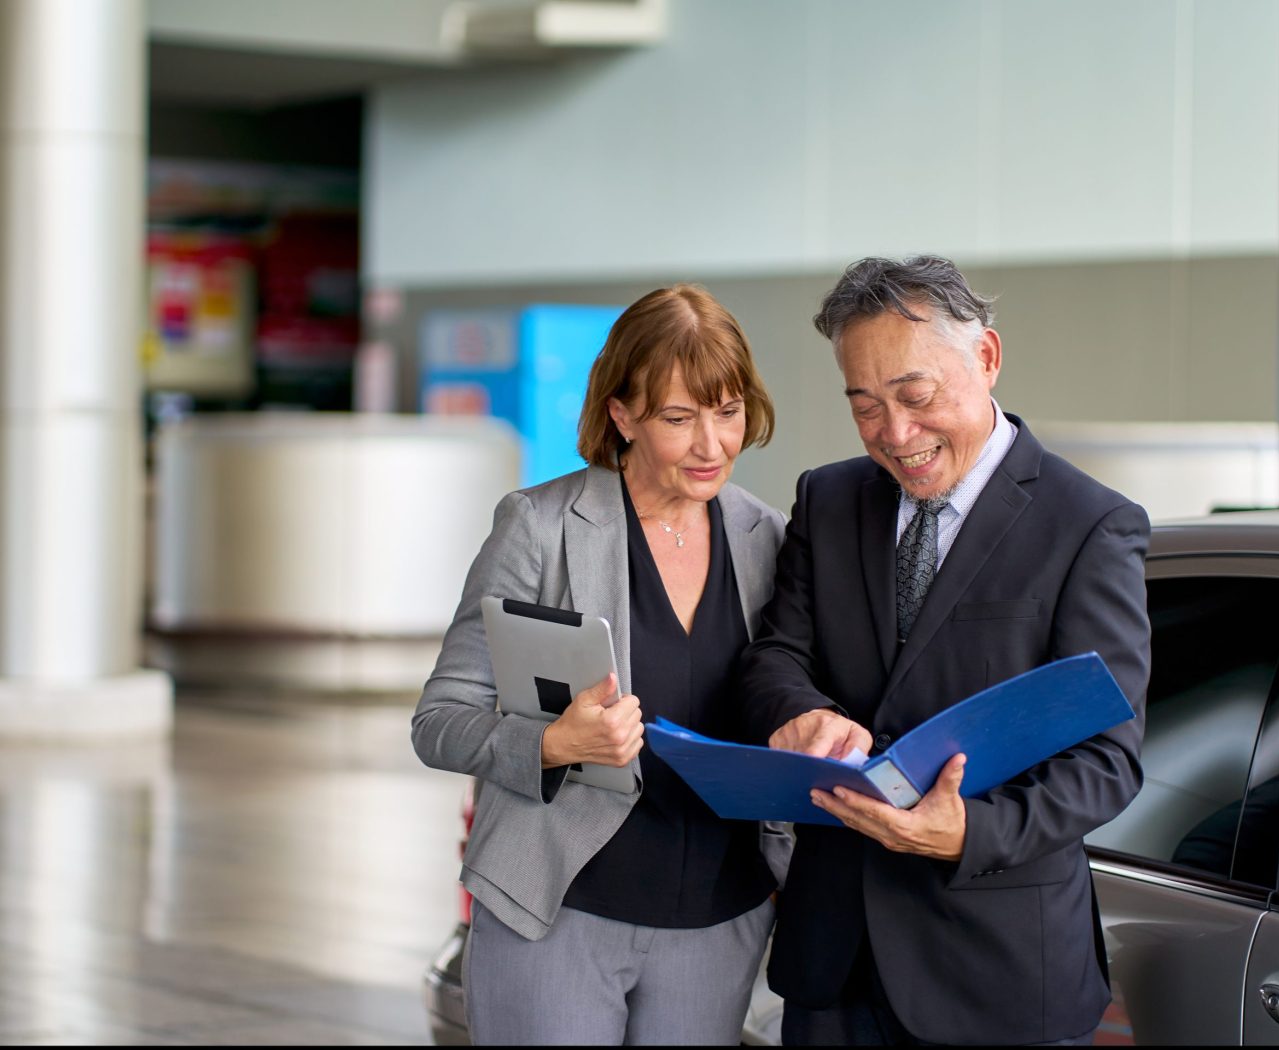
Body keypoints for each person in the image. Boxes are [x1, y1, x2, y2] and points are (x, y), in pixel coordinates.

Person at [740, 255, 1151, 1046]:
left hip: (995, 973)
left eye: (916, 396)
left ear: (987, 358)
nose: (895, 434)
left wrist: (968, 833)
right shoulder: (828, 500)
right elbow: (774, 658)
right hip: (835, 963)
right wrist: (801, 714)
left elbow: (1107, 760)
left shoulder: (1089, 526)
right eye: (864, 406)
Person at [411, 283, 790, 1046]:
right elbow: (438, 722)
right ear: (623, 414)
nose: (712, 445)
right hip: (559, 913)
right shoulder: (541, 527)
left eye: (728, 412)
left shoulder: (771, 540)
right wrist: (553, 745)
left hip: (719, 925)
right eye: (680, 419)